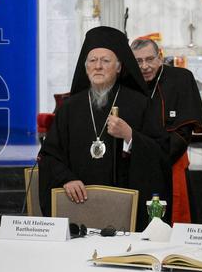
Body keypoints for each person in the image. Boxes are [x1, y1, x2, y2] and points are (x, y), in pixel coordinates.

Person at [39, 26, 169, 227]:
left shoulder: (140, 104)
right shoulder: (70, 108)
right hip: (77, 205)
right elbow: (49, 156)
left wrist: (130, 135)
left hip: (125, 211)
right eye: (92, 60)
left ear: (118, 67)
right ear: (85, 66)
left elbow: (161, 152)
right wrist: (66, 179)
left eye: (105, 61)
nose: (97, 66)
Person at [131, 37, 202, 224]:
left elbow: (184, 131)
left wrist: (159, 156)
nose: (145, 66)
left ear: (160, 57)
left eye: (150, 59)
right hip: (138, 167)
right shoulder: (130, 84)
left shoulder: (181, 79)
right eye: (138, 61)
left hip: (172, 162)